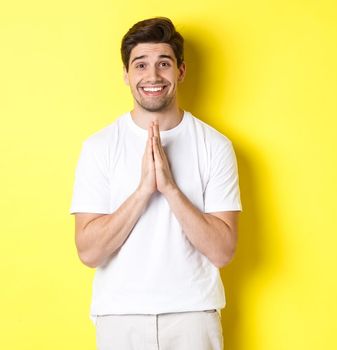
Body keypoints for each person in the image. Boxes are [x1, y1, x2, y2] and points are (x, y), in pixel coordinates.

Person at [70, 17, 240, 350]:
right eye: (141, 65)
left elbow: (223, 251)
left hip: (193, 315)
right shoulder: (99, 147)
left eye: (164, 63)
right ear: (126, 74)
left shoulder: (215, 145)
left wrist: (171, 189)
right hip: (120, 317)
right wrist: (143, 191)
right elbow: (88, 252)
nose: (152, 76)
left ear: (181, 71)